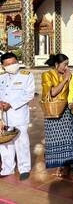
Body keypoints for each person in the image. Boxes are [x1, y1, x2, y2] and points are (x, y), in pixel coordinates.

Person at [0, 52, 35, 180]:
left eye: (13, 63)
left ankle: (24, 168)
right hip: (4, 116)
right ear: (3, 66)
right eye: (8, 64)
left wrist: (12, 104)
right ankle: (7, 168)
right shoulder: (1, 77)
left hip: (19, 114)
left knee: (22, 142)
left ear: (17, 62)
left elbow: (29, 94)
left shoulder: (27, 76)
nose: (11, 66)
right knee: (4, 143)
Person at [41, 54, 73, 177]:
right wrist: (65, 79)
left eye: (67, 64)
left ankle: (67, 164)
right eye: (65, 64)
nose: (66, 67)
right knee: (55, 138)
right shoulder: (47, 75)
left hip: (66, 111)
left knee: (67, 137)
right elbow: (52, 92)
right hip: (52, 111)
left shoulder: (68, 75)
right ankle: (58, 164)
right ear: (56, 65)